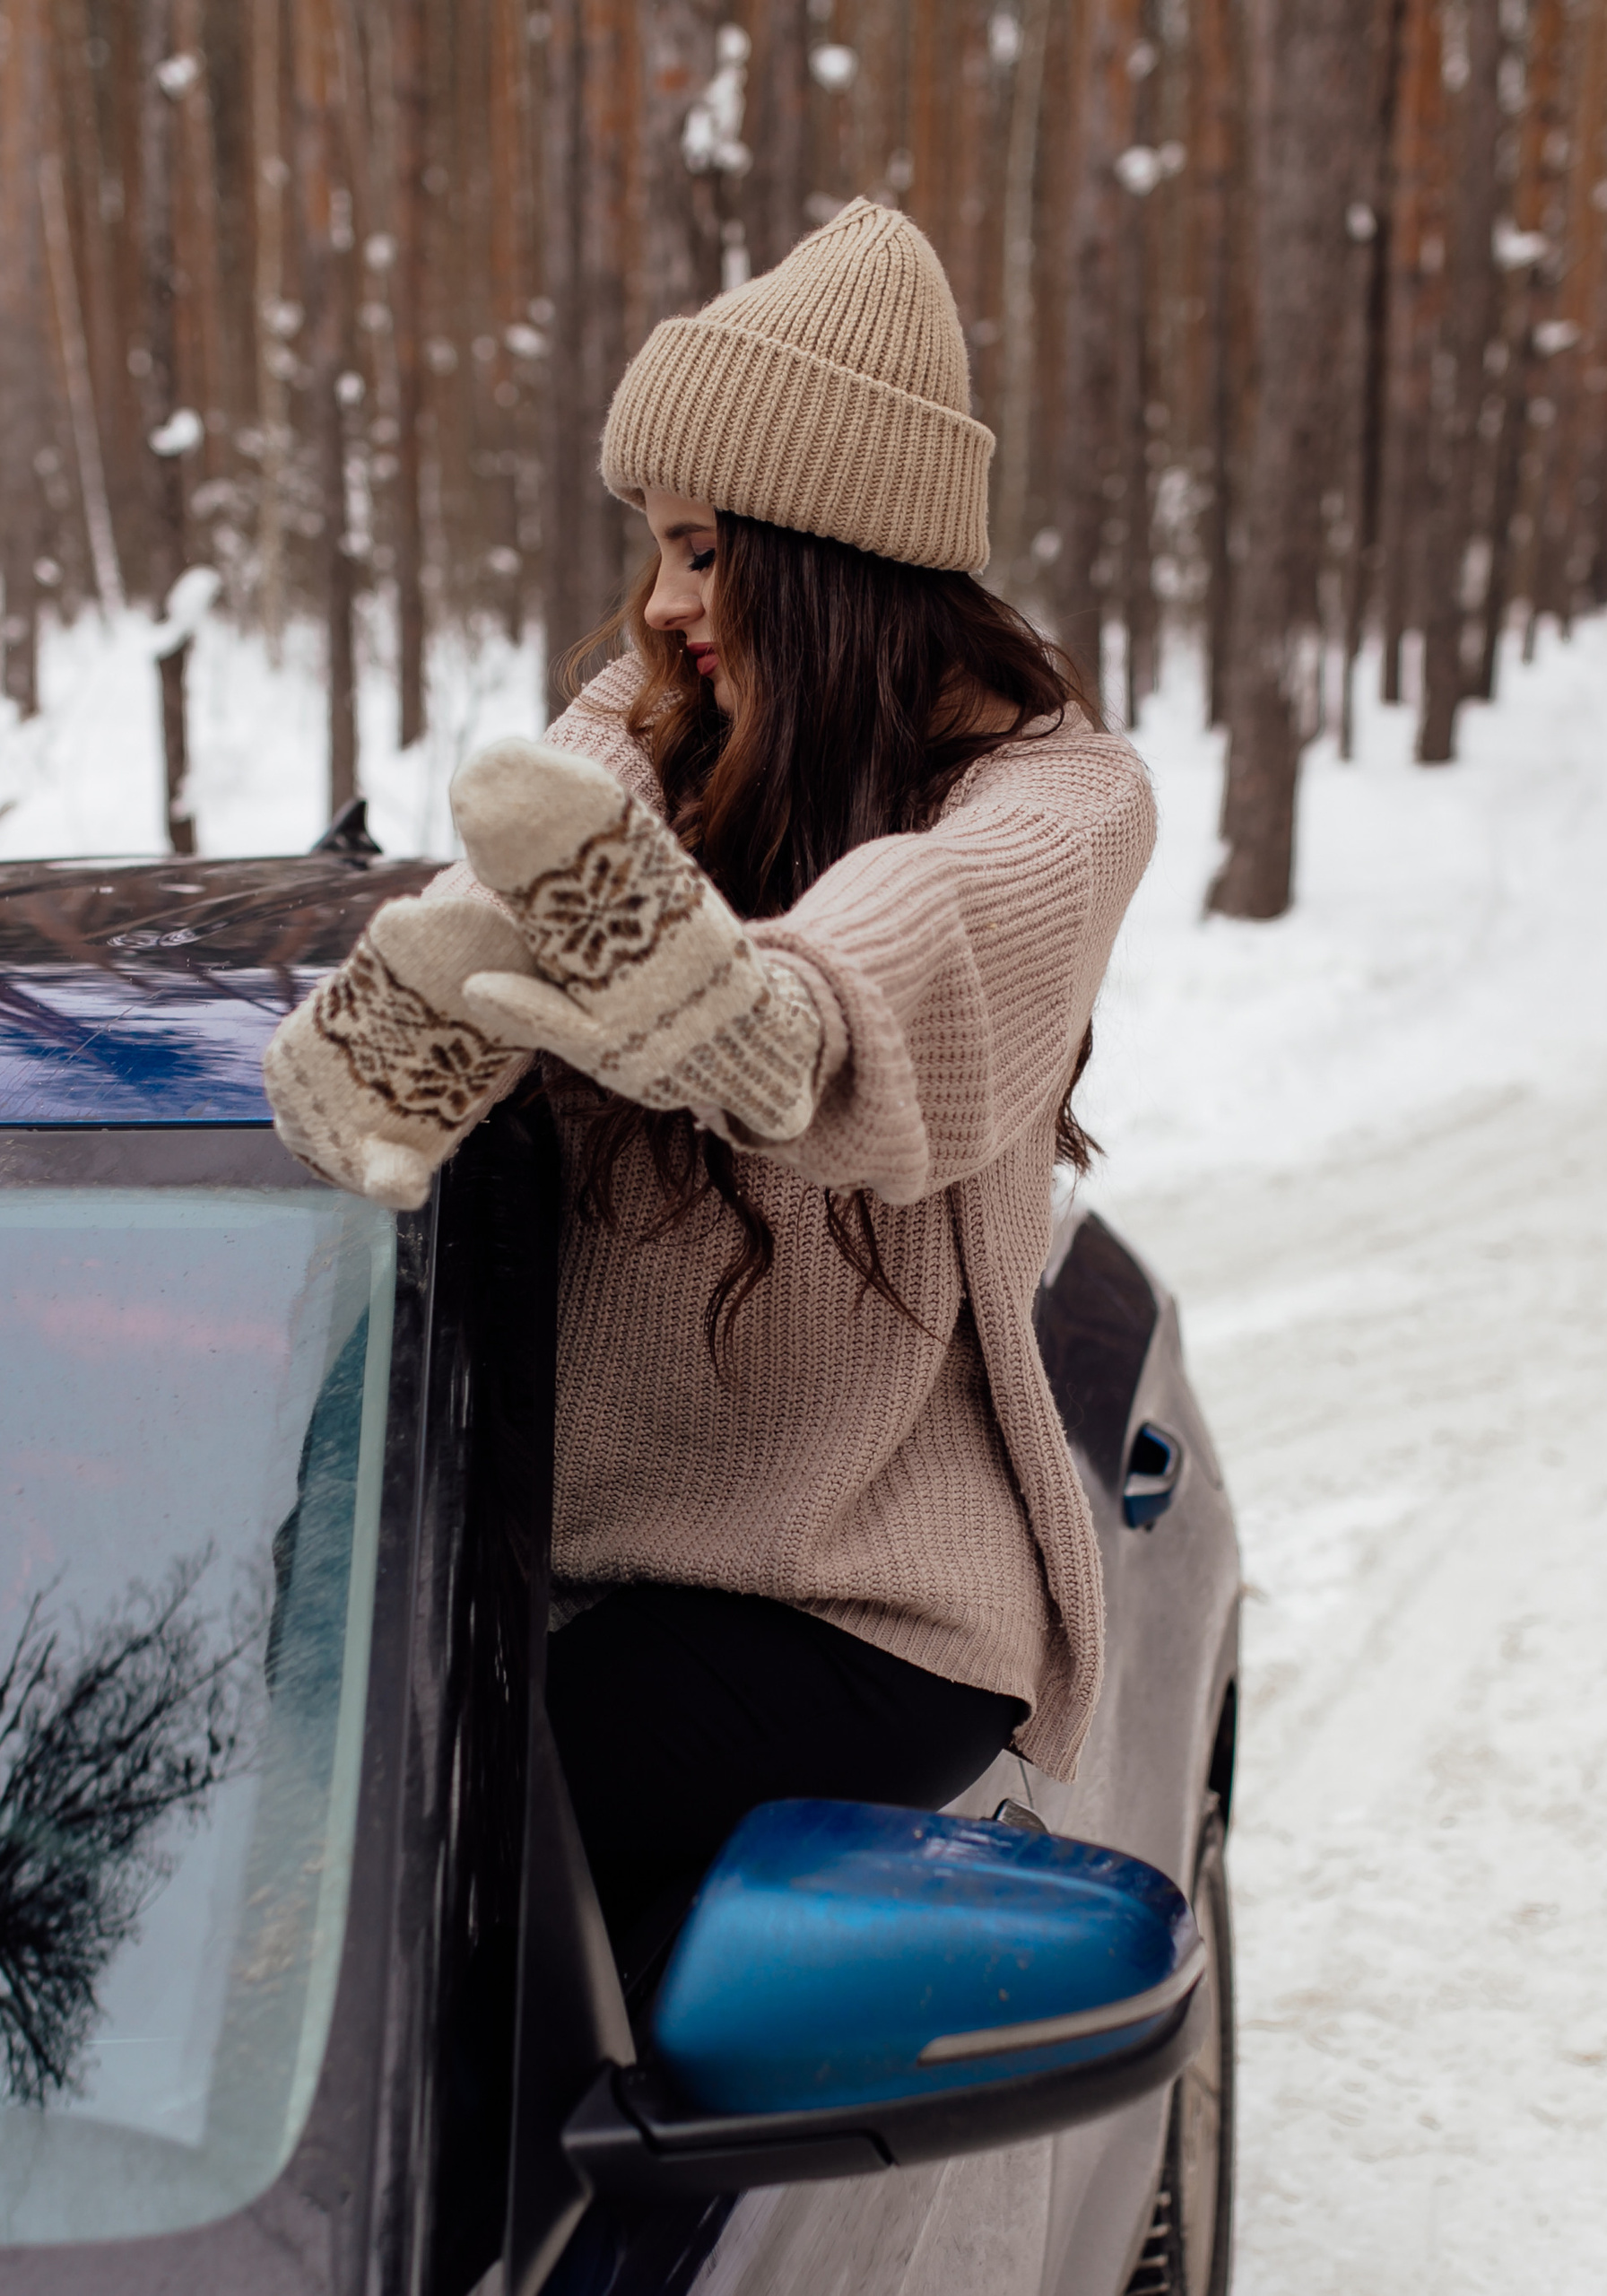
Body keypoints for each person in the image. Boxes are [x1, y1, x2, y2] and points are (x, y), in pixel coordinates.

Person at [262, 199, 1156, 1975]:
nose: (661, 602)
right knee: (249, 1824)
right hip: (540, 1556)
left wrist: (771, 1021)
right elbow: (526, 864)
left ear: (821, 552)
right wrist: (419, 1015)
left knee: (395, 1878)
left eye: (696, 548)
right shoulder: (659, 720)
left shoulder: (1058, 803)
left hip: (841, 1600)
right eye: (654, 551)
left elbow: (928, 948)